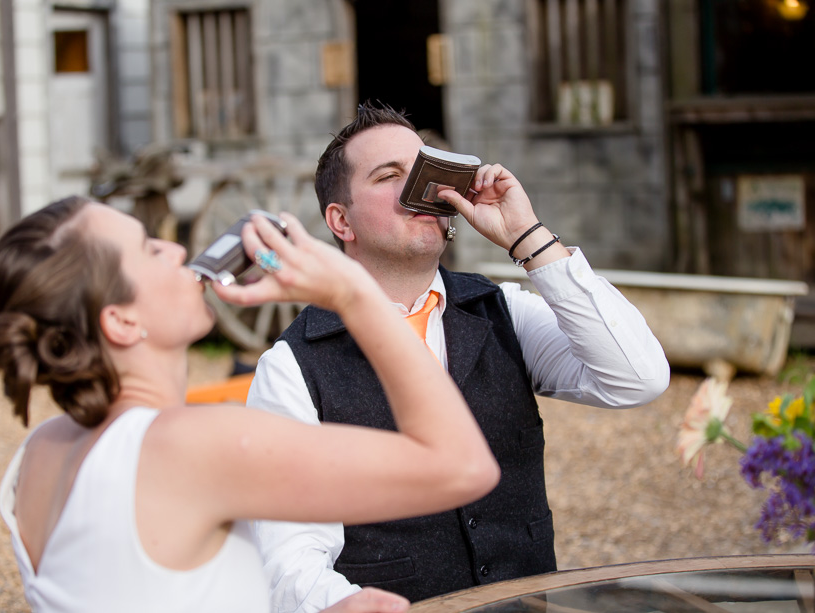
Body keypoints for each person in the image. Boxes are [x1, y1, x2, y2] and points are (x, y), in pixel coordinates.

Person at [0, 195, 501, 612]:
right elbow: (462, 466)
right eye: (148, 249)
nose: (178, 250)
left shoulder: (42, 450)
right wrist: (353, 295)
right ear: (121, 321)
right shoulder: (187, 445)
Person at [247, 102, 672, 610]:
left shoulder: (502, 311)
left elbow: (637, 377)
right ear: (341, 220)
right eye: (390, 176)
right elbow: (290, 559)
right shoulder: (292, 366)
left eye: (426, 167)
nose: (418, 188)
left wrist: (526, 236)